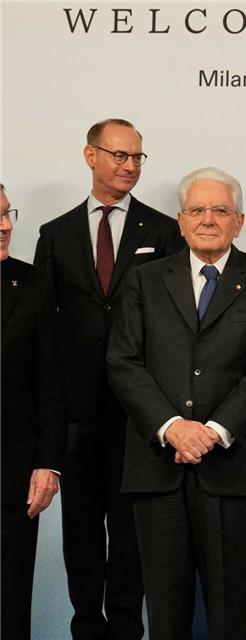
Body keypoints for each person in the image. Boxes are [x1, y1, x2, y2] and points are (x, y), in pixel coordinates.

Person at [106, 167, 246, 640]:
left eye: (220, 210)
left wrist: (211, 431)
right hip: (157, 467)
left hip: (231, 468)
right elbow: (123, 361)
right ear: (180, 220)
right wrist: (173, 426)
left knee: (231, 614)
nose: (208, 219)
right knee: (165, 616)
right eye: (197, 210)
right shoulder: (144, 279)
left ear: (240, 220)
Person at [33, 118, 184, 639]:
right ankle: (85, 626)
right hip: (75, 410)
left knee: (130, 530)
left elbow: (175, 322)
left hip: (141, 410)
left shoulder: (164, 230)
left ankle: (125, 627)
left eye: (138, 158)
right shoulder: (53, 234)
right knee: (79, 529)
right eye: (119, 155)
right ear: (90, 156)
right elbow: (42, 328)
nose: (129, 166)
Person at [1, 184, 66, 640]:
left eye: (8, 214)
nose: (6, 226)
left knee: (8, 604)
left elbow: (50, 384)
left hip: (12, 474)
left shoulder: (34, 284)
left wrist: (48, 462)